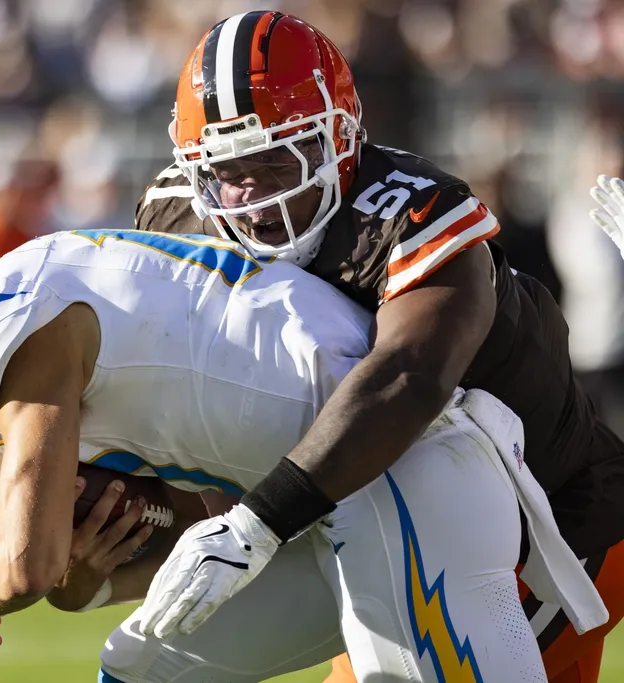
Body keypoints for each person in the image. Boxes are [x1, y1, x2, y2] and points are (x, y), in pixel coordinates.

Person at [0, 229, 604, 681]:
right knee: (139, 670)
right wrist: (88, 585)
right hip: (329, 503)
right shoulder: (45, 361)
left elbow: (16, 564)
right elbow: (209, 537)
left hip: (408, 464)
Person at [135, 11, 624, 682]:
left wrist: (257, 523)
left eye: (278, 159)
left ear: (341, 135)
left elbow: (406, 378)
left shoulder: (414, 214)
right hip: (377, 519)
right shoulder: (176, 217)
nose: (251, 198)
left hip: (543, 527)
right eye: (225, 169)